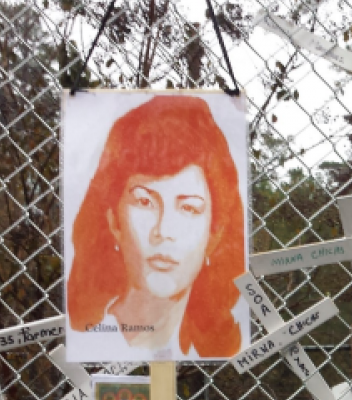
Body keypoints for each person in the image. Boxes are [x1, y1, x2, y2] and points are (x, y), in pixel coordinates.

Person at [67, 95, 246, 358]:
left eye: (188, 208)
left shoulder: (212, 352)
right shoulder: (87, 337)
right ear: (114, 220)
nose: (164, 231)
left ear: (215, 233)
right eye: (145, 202)